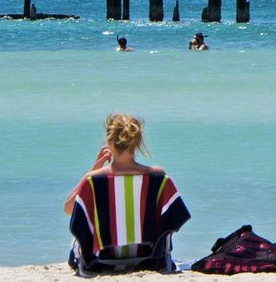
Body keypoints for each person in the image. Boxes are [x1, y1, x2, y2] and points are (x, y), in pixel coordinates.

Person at [63, 114, 191, 273]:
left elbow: (69, 209)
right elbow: (173, 219)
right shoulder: (158, 177)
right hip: (149, 258)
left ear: (109, 142)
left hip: (100, 260)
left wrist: (94, 168)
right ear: (137, 143)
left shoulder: (93, 180)